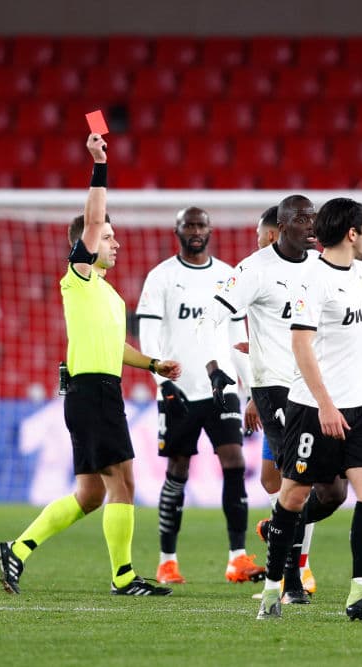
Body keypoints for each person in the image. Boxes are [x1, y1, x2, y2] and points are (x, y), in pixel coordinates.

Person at [0, 133, 180, 596]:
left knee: (92, 494)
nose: (116, 244)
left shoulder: (112, 296)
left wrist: (153, 363)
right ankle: (123, 577)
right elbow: (95, 216)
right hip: (92, 391)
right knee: (124, 481)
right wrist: (100, 165)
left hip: (99, 390)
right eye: (109, 238)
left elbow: (115, 348)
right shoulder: (77, 278)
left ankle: (16, 550)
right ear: (87, 243)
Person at [256, 196, 362, 621]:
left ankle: (360, 595)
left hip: (357, 407)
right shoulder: (312, 280)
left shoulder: (355, 272)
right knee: (292, 498)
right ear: (352, 234)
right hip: (313, 409)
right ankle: (270, 592)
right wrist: (325, 405)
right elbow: (301, 346)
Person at [208, 195, 344, 603]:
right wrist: (225, 374)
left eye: (314, 219)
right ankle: (292, 581)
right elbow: (214, 319)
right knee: (293, 481)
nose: (312, 226)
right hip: (276, 391)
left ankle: (277, 528)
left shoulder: (324, 269)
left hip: (318, 387)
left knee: (332, 490)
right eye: (304, 219)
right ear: (281, 228)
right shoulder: (253, 269)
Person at [136, 206, 263, 586]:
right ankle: (167, 561)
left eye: (200, 225)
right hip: (178, 390)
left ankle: (238, 558)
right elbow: (148, 330)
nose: (195, 230)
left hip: (221, 390)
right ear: (177, 230)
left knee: (235, 462)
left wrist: (250, 389)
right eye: (188, 224)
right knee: (177, 470)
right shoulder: (162, 277)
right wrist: (159, 378)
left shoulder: (227, 276)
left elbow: (236, 337)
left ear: (210, 230)